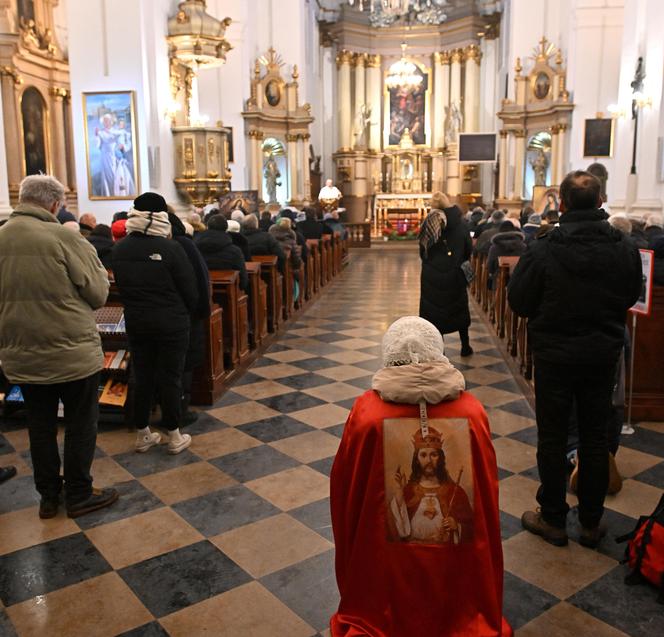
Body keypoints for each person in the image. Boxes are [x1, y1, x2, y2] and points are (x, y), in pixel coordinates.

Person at [330, 316, 511, 637]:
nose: (429, 461)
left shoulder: (367, 414)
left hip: (387, 576)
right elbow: (488, 498)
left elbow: (346, 491)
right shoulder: (471, 412)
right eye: (423, 455)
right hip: (455, 572)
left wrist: (455, 523)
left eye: (434, 455)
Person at [508, 170, 642, 548]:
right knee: (595, 438)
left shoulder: (544, 246)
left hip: (554, 357)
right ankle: (590, 521)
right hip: (602, 355)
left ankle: (552, 517)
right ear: (601, 202)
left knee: (552, 437)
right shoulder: (623, 246)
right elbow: (631, 295)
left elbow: (518, 301)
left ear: (560, 203)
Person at [0, 174, 117, 519]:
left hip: (21, 349)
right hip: (72, 352)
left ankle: (49, 497)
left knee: (40, 425)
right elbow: (98, 293)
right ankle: (79, 494)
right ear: (54, 204)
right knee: (81, 423)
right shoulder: (65, 239)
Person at [111, 193, 198, 455]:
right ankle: (174, 434)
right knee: (170, 376)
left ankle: (143, 434)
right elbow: (190, 291)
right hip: (171, 322)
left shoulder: (120, 249)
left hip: (137, 321)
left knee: (143, 375)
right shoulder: (172, 248)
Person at [168, 211, 211, 426]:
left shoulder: (127, 247)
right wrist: (203, 311)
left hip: (145, 318)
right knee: (182, 362)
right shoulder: (185, 245)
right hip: (182, 315)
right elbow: (200, 281)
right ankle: (179, 410)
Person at [419, 192, 473, 356]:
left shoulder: (429, 223)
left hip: (432, 275)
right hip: (455, 273)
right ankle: (465, 346)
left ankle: (439, 350)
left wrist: (430, 263)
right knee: (459, 308)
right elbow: (468, 248)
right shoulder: (461, 223)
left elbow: (423, 250)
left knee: (434, 312)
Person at [194, 214, 248, 291]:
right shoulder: (234, 251)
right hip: (230, 293)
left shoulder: (195, 248)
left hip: (203, 291)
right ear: (226, 229)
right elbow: (243, 281)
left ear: (208, 227)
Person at [487, 220, 527, 288]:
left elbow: (490, 267)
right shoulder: (523, 246)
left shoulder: (494, 248)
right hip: (518, 280)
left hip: (499, 281)